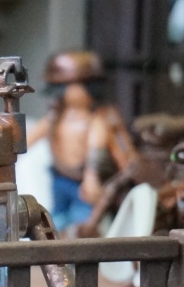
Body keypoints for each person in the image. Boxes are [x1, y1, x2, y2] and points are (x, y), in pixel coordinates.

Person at [27, 51, 136, 233]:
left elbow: (98, 148)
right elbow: (30, 137)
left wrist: (92, 177)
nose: (59, 94)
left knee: (84, 224)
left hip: (83, 184)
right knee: (56, 221)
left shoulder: (98, 118)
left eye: (63, 87)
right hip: (60, 178)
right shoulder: (56, 117)